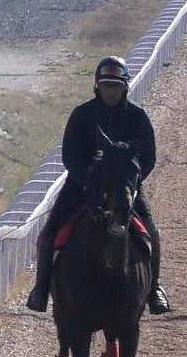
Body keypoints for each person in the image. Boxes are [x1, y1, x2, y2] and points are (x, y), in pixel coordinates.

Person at [25, 55, 172, 315]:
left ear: (125, 87)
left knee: (150, 231)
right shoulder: (82, 115)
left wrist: (132, 182)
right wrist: (89, 180)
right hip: (81, 187)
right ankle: (41, 289)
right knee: (50, 231)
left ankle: (154, 289)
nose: (111, 92)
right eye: (106, 86)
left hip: (125, 189)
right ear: (97, 87)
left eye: (116, 86)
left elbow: (148, 158)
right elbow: (70, 157)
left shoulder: (138, 117)